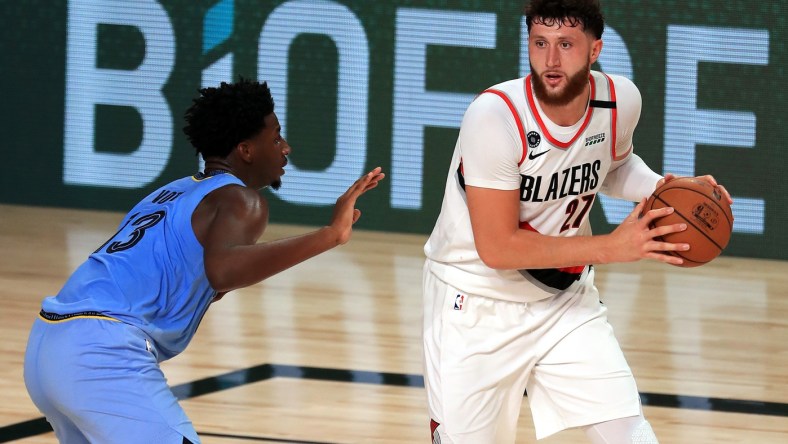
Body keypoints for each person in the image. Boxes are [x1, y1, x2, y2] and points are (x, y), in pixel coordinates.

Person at [421, 1, 731, 443]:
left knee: (630, 435)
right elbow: (499, 248)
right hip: (474, 305)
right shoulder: (494, 118)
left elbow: (612, 167)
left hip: (564, 302)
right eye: (539, 43)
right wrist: (612, 247)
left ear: (594, 50)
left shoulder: (619, 99)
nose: (550, 60)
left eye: (566, 44)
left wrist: (669, 189)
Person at [23, 78, 385, 444]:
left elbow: (202, 279)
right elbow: (223, 269)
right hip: (102, 353)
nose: (286, 147)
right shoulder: (242, 200)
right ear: (245, 150)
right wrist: (331, 234)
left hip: (47, 347)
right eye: (276, 137)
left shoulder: (170, 193)